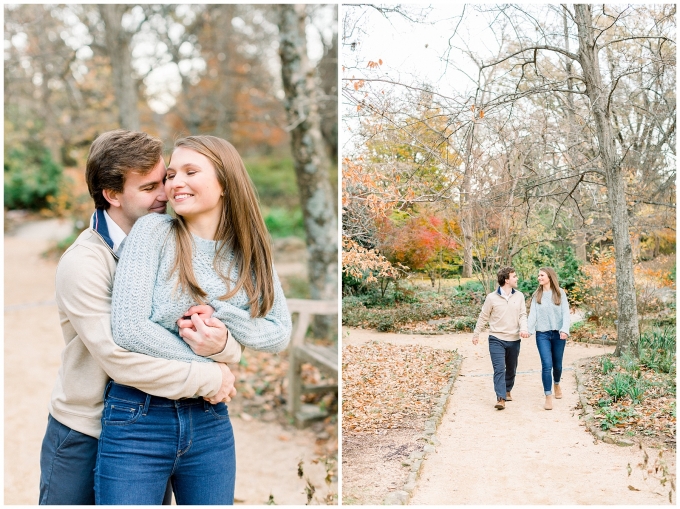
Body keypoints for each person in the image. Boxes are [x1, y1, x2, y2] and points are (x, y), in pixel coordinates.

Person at [40, 130, 241, 505]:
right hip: (85, 430)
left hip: (150, 421)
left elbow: (218, 320)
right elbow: (119, 356)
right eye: (150, 187)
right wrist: (210, 376)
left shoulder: (177, 243)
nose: (167, 193)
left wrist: (226, 345)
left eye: (164, 179)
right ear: (112, 195)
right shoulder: (84, 263)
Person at [94, 135, 292, 505]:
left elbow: (279, 333)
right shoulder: (154, 231)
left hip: (209, 421)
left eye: (190, 171)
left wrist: (224, 321)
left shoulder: (247, 252)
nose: (175, 183)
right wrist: (211, 367)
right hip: (138, 416)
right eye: (171, 174)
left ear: (224, 185)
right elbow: (129, 327)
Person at [472, 267, 529, 410]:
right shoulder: (491, 298)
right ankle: (501, 398)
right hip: (496, 338)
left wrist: (523, 328)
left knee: (511, 369)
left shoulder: (519, 296)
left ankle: (508, 389)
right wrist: (476, 333)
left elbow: (522, 315)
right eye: (514, 276)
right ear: (506, 280)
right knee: (499, 369)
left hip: (514, 339)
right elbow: (483, 316)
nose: (517, 278)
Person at [527, 267, 571, 410]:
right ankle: (548, 396)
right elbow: (532, 314)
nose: (539, 278)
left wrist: (565, 329)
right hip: (542, 334)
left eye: (541, 275)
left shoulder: (560, 293)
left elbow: (566, 313)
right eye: (538, 275)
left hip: (558, 334)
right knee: (547, 365)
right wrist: (528, 330)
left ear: (550, 277)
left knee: (557, 365)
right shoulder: (536, 295)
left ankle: (556, 383)